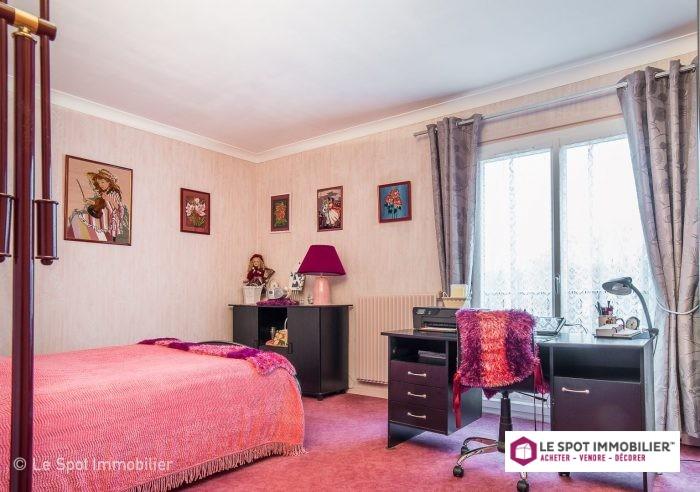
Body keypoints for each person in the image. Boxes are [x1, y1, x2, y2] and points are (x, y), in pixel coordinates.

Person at [67, 168, 129, 243]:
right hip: (103, 213)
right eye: (99, 183)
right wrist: (91, 202)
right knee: (79, 216)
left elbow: (119, 208)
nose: (100, 185)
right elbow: (101, 205)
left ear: (109, 182)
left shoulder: (114, 193)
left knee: (81, 217)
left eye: (102, 182)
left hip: (110, 217)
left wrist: (110, 199)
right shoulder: (104, 192)